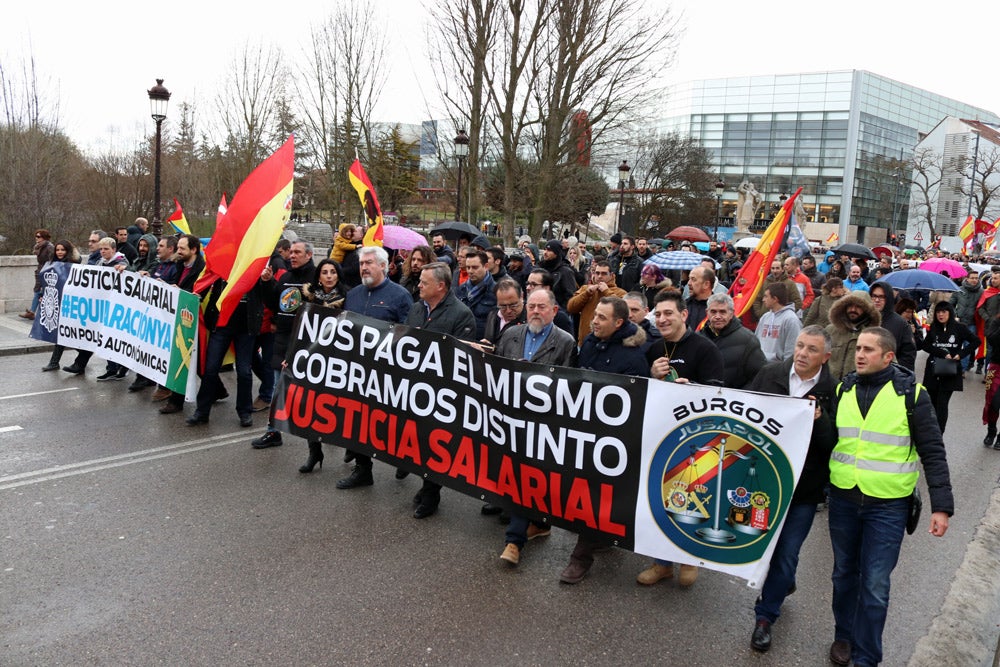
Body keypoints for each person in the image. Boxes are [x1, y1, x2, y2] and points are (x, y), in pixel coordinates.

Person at [826, 327, 953, 667]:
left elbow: (933, 451)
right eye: (858, 349)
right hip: (843, 500)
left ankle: (867, 657)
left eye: (869, 349)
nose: (860, 354)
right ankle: (844, 636)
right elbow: (829, 440)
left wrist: (942, 507)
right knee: (843, 574)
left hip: (888, 506)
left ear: (888, 356)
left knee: (875, 584)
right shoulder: (844, 388)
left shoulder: (912, 394)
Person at [748, 326, 837, 653]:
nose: (802, 353)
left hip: (803, 491)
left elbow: (833, 444)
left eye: (811, 350)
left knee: (787, 552)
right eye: (800, 346)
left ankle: (764, 617)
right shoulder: (769, 374)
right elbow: (743, 411)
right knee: (765, 546)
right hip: (766, 484)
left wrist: (821, 420)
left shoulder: (833, 389)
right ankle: (783, 581)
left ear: (825, 357)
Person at [635, 290, 724, 587]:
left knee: (689, 499)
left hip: (693, 439)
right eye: (658, 314)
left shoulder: (705, 348)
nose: (662, 319)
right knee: (657, 499)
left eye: (668, 313)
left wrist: (692, 388)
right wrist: (651, 374)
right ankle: (661, 563)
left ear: (684, 315)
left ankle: (687, 557)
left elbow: (718, 393)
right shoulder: (652, 348)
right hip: (658, 436)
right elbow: (640, 392)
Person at [560, 297, 648, 584]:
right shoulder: (589, 342)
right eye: (595, 315)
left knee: (592, 493)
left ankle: (580, 559)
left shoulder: (633, 358)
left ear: (619, 323)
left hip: (609, 440)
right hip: (581, 429)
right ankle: (601, 535)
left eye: (601, 317)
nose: (594, 320)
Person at [496, 288, 578, 566]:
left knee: (526, 476)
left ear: (554, 311)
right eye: (531, 306)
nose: (535, 311)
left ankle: (513, 541)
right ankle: (540, 523)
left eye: (542, 307)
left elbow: (570, 389)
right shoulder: (510, 335)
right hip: (509, 417)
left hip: (543, 423)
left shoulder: (565, 342)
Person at [335, 246, 414, 488]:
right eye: (361, 263)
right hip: (358, 371)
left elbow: (408, 334)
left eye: (369, 262)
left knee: (391, 422)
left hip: (388, 372)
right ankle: (363, 469)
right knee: (358, 420)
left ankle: (406, 458)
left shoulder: (400, 296)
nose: (364, 267)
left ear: (383, 265)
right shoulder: (354, 294)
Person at [406, 262, 476, 519]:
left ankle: (431, 492)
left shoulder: (461, 314)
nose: (419, 286)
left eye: (424, 283)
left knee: (435, 443)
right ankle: (425, 483)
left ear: (441, 286)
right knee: (416, 440)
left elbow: (462, 357)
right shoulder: (416, 309)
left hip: (442, 392)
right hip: (413, 386)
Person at [248, 240, 314, 441]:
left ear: (309, 255)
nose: (292, 255)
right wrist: (267, 283)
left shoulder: (317, 277)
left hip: (308, 345)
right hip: (283, 341)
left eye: (297, 252)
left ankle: (319, 437)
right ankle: (273, 431)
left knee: (310, 394)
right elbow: (274, 303)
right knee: (279, 388)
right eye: (291, 252)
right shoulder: (285, 277)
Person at [919, 301, 977, 434]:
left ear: (950, 313)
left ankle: (939, 433)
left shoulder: (959, 327)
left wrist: (960, 354)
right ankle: (931, 430)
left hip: (950, 370)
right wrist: (943, 353)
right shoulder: (934, 327)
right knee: (932, 401)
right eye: (938, 312)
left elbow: (976, 341)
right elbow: (926, 346)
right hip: (933, 369)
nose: (940, 315)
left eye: (944, 312)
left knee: (942, 402)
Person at [701, 293, 765, 388]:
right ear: (707, 313)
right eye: (713, 312)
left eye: (722, 312)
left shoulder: (748, 340)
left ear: (731, 314)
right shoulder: (698, 338)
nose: (717, 316)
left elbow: (758, 376)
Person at [40, 240, 81, 372]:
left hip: (69, 305)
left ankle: (82, 357)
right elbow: (48, 283)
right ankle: (82, 357)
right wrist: (43, 295)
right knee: (63, 334)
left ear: (68, 251)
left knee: (64, 334)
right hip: (57, 303)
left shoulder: (74, 265)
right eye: (58, 250)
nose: (60, 252)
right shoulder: (51, 265)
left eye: (63, 250)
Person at [566, 261, 626, 347]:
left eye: (604, 273)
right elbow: (570, 307)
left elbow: (623, 311)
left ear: (612, 275)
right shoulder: (586, 289)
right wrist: (586, 294)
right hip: (584, 343)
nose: (600, 276)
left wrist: (606, 291)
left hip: (609, 344)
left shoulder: (620, 292)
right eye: (597, 273)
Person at [825, 293, 880, 380]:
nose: (853, 309)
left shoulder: (875, 335)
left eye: (858, 306)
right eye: (850, 306)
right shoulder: (831, 330)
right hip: (830, 386)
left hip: (857, 388)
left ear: (867, 310)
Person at [867, 281, 916, 371]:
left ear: (888, 298)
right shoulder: (864, 320)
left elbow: (908, 356)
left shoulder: (901, 324)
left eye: (881, 297)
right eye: (874, 296)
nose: (877, 300)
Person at [455, 250, 497, 340]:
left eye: (475, 267)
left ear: (485, 266)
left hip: (482, 343)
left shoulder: (495, 291)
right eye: (468, 267)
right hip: (462, 340)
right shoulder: (461, 289)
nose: (470, 271)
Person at [755, 283, 801, 363]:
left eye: (766, 296)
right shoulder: (765, 317)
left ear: (775, 299)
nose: (763, 300)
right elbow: (756, 341)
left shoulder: (791, 320)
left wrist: (785, 371)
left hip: (778, 369)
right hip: (760, 366)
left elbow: (791, 350)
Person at [951, 272, 983, 372]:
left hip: (972, 323)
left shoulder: (981, 292)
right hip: (958, 322)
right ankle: (952, 365)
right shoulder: (959, 290)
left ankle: (962, 369)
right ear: (967, 279)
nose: (974, 280)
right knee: (954, 344)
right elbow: (951, 304)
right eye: (972, 278)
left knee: (967, 346)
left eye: (976, 278)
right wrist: (955, 315)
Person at [20, 229, 54, 320]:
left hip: (46, 272)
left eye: (38, 236)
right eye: (36, 236)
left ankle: (34, 312)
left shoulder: (49, 247)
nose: (36, 238)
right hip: (40, 271)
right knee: (38, 291)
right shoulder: (39, 247)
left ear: (44, 237)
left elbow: (52, 261)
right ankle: (34, 312)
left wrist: (48, 271)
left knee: (40, 292)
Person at [482, 279, 525, 346]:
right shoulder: (493, 315)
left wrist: (493, 351)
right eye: (503, 306)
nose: (508, 311)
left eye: (513, 305)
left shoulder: (529, 322)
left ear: (522, 297)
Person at [537, 239, 579, 308]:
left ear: (556, 253)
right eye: (545, 249)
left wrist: (560, 313)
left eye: (549, 250)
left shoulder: (565, 271)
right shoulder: (539, 268)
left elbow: (570, 297)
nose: (545, 252)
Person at [982, 312, 1000, 448]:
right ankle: (991, 431)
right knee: (993, 402)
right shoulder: (996, 321)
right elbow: (991, 339)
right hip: (996, 366)